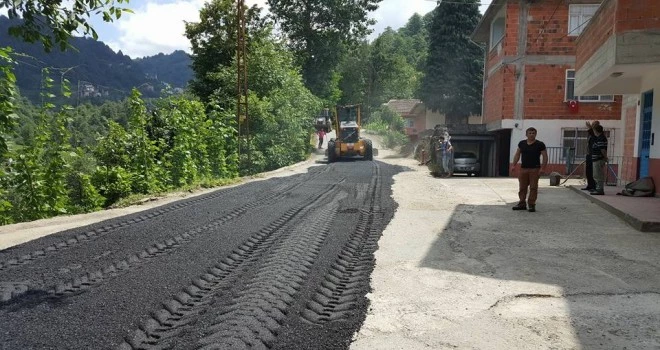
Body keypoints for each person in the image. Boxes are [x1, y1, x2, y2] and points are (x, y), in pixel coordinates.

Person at [510, 127, 548, 212]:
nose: (531, 134)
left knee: (533, 187)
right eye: (530, 133)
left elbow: (545, 156)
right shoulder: (522, 143)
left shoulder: (540, 144)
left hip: (535, 169)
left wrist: (543, 168)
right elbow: (517, 154)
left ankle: (531, 205)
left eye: (533, 133)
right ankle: (522, 203)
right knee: (522, 187)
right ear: (526, 134)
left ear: (535, 134)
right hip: (523, 169)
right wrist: (514, 165)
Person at [590, 124, 608, 195]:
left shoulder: (601, 138)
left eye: (594, 130)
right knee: (596, 175)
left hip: (598, 159)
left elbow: (602, 149)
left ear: (596, 131)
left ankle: (600, 189)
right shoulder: (598, 137)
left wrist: (605, 157)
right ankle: (598, 188)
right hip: (596, 159)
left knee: (598, 175)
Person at [582, 120, 600, 191]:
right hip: (589, 154)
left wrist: (589, 128)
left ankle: (594, 186)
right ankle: (589, 185)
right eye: (593, 124)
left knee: (593, 172)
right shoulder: (591, 133)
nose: (593, 125)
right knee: (588, 171)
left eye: (594, 124)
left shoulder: (597, 133)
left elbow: (594, 136)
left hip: (594, 155)